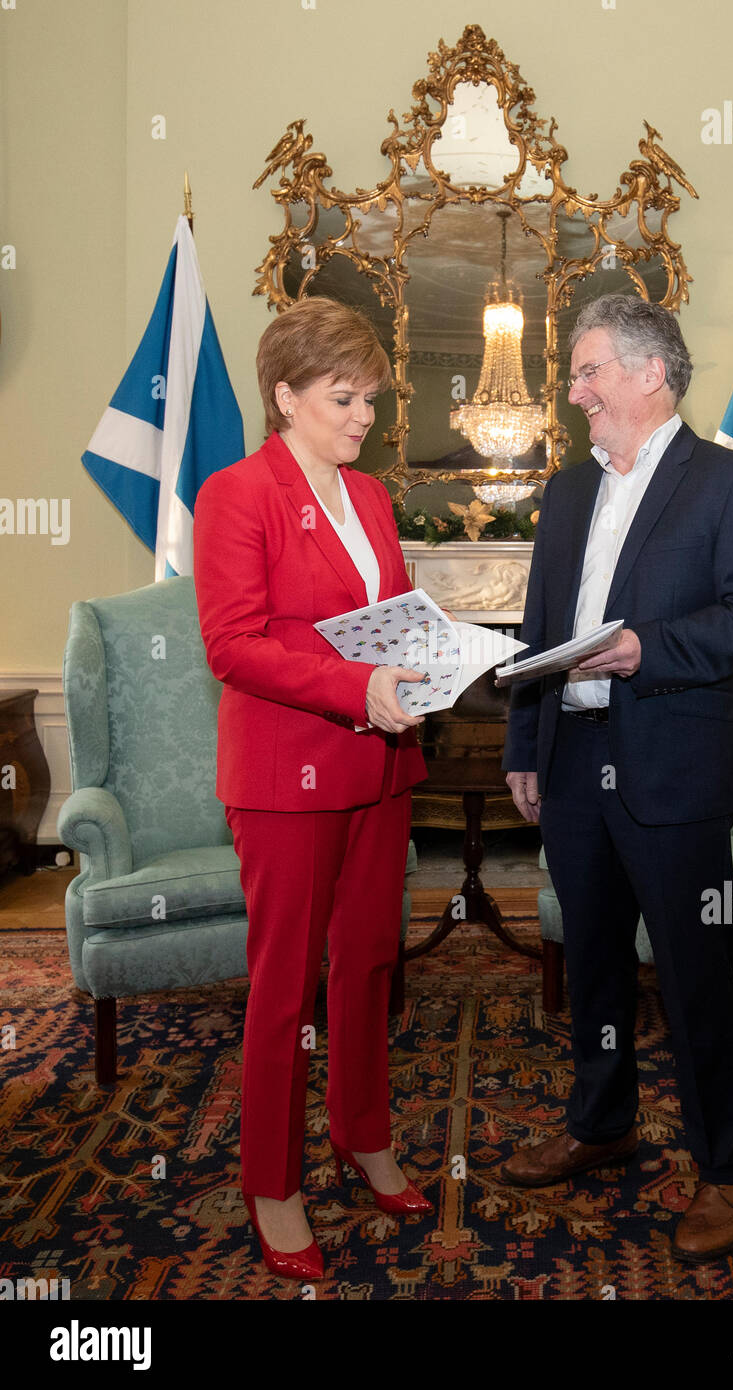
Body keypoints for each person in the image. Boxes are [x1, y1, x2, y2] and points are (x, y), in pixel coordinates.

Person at [500, 293, 733, 1263]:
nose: (574, 391)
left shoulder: (729, 482)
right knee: (590, 965)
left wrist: (644, 648)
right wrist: (522, 748)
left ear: (648, 373)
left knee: (692, 975)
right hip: (573, 765)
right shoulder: (565, 490)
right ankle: (602, 1118)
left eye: (588, 371)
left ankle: (726, 1165)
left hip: (675, 771)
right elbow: (540, 633)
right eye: (575, 374)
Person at [193, 296, 433, 1282]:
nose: (363, 415)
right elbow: (231, 644)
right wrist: (358, 689)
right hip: (286, 776)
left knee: (371, 959)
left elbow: (385, 619)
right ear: (284, 394)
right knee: (286, 985)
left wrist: (431, 656)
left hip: (378, 767)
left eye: (369, 398)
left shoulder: (371, 498)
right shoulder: (235, 493)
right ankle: (272, 1181)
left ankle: (361, 1132)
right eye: (344, 397)